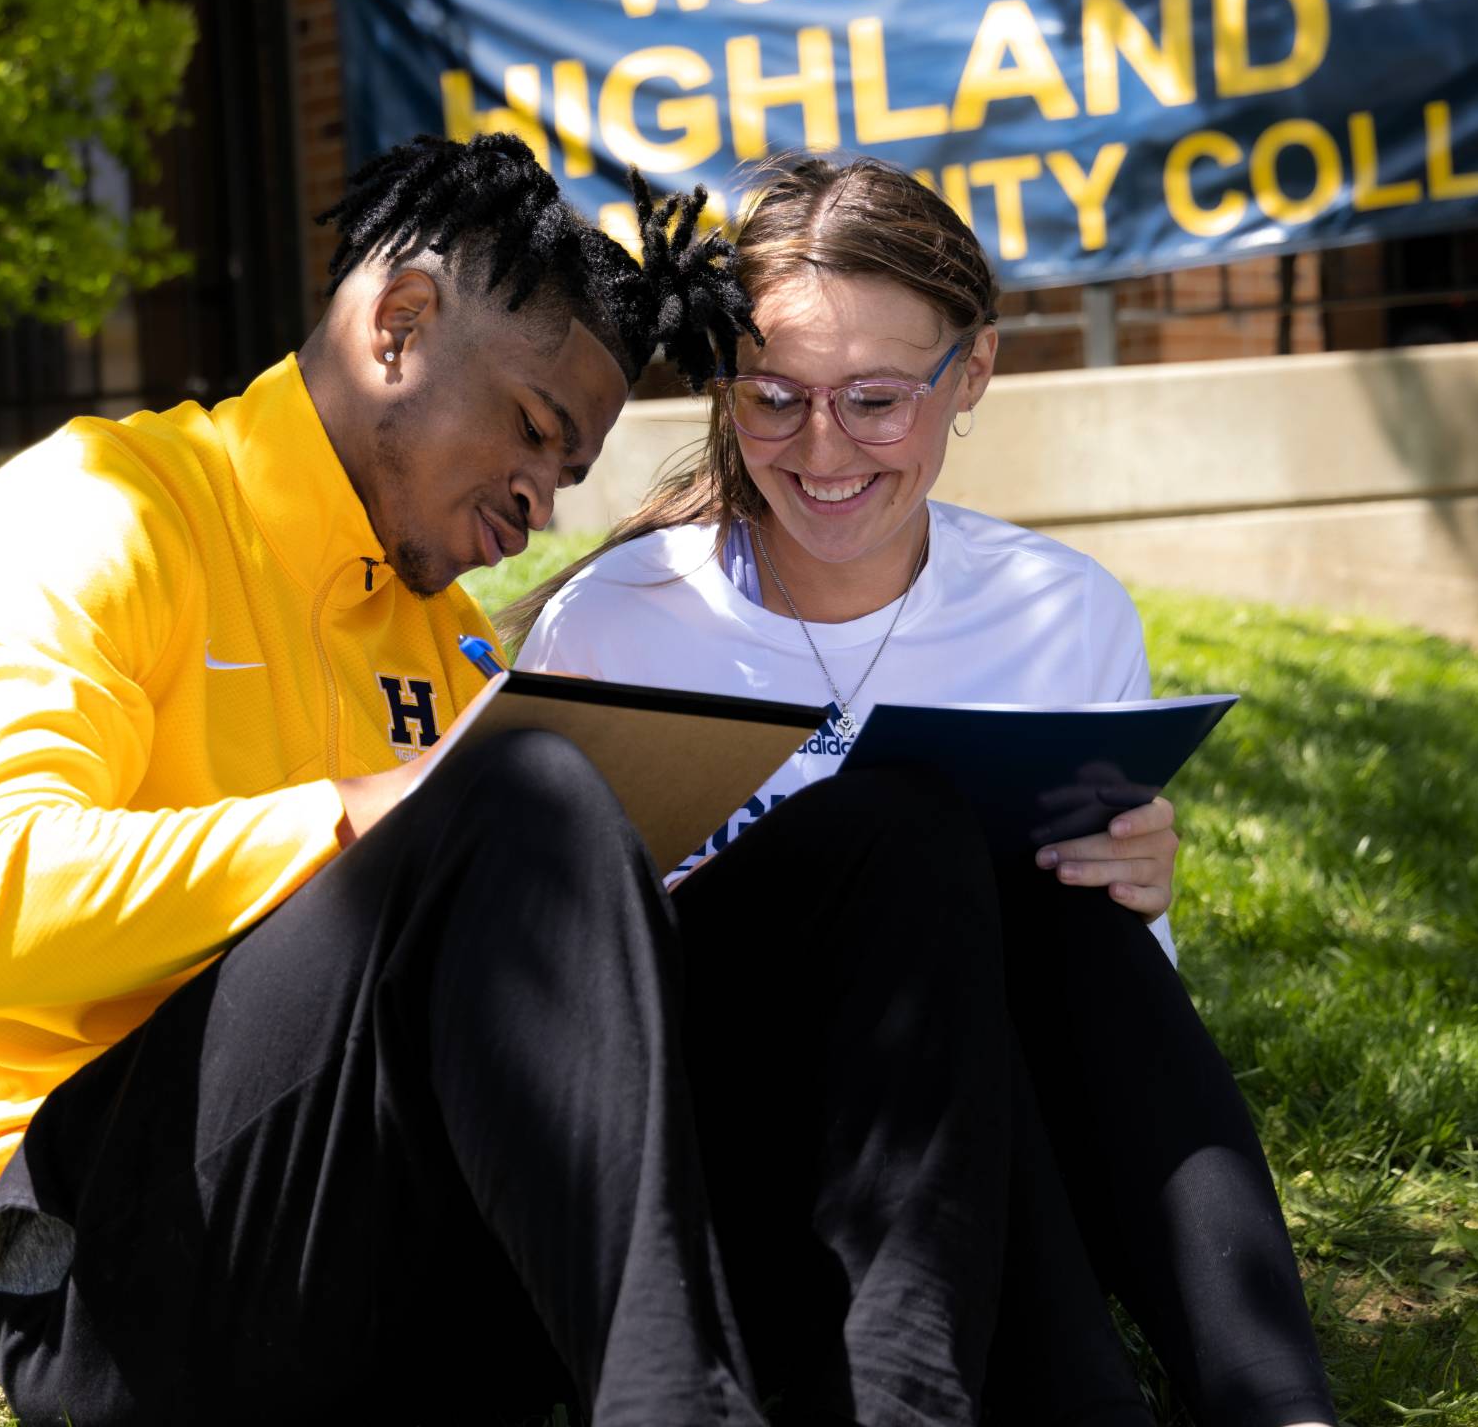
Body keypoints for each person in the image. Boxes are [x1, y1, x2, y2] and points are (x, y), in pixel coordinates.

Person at [0, 133, 1148, 1427]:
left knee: (890, 833)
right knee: (525, 794)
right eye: (533, 433)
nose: (541, 504)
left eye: (570, 470)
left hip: (393, 1261)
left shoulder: (456, 643)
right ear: (401, 327)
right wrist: (363, 816)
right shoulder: (103, 512)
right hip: (101, 1275)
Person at [511, 155, 1337, 1426]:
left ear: (976, 375)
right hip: (743, 1137)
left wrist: (1131, 887)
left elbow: (1109, 1031)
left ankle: (1274, 1403)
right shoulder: (619, 623)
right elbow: (558, 998)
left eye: (879, 400)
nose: (823, 447)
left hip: (988, 1118)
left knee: (1063, 907)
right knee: (902, 831)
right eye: (773, 398)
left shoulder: (1059, 614)